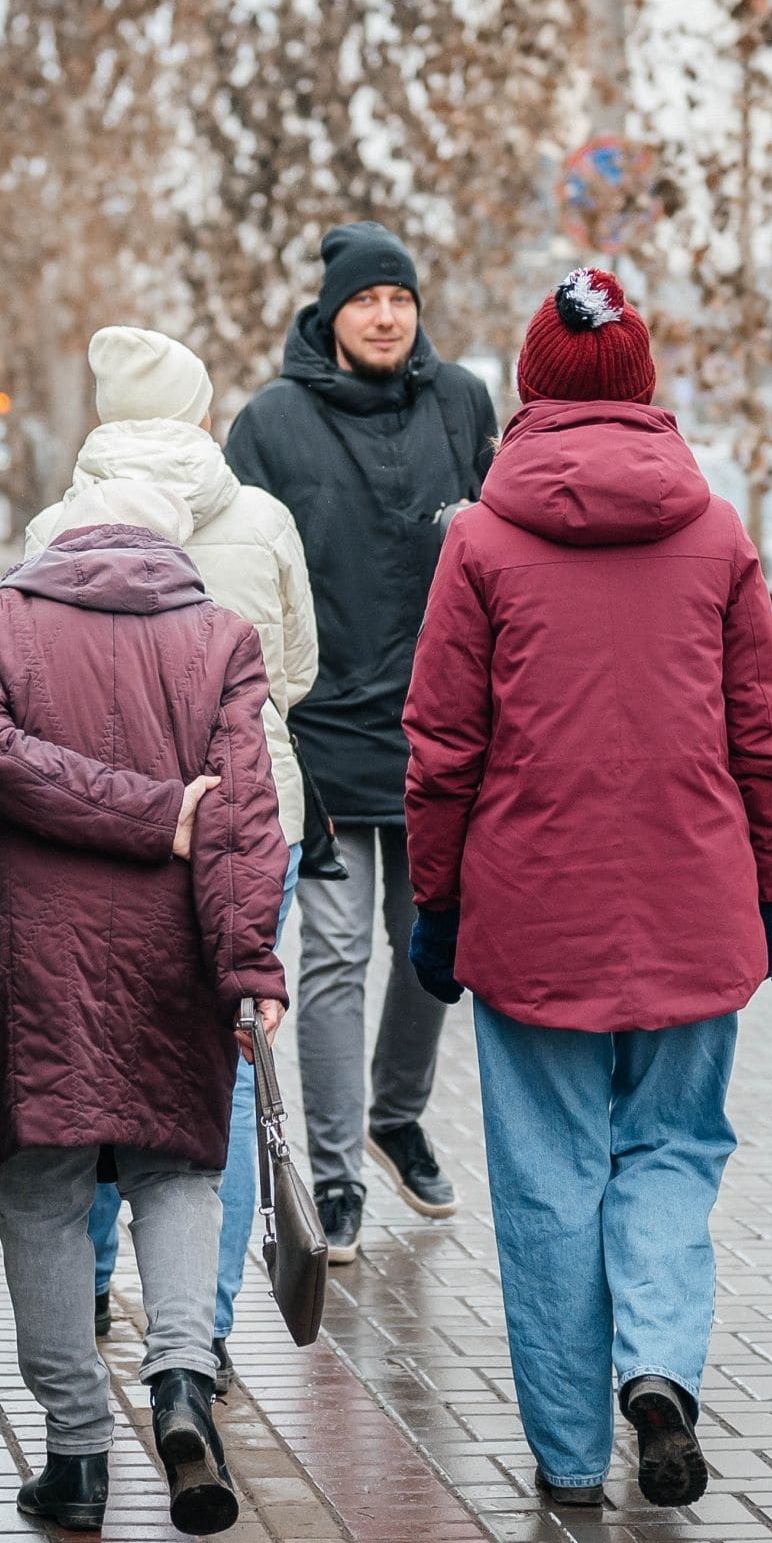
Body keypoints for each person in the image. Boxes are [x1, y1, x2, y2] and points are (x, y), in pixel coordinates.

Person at [401, 268, 772, 1509]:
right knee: (673, 1150)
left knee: (547, 1174)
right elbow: (764, 735)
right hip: (693, 901)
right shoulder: (718, 532)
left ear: (531, 387)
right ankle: (662, 1369)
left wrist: (437, 905)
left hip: (531, 912)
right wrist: (769, 887)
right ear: (645, 388)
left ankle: (572, 1455)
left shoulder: (477, 539)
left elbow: (441, 747)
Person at [0, 479, 289, 1536]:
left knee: (44, 1194)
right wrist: (249, 965)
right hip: (168, 952)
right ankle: (183, 1386)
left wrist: (133, 811)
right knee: (179, 1173)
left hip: (32, 950)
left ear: (50, 545)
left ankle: (77, 1458)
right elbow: (240, 817)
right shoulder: (223, 637)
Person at [24, 327, 319, 1390]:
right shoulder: (261, 517)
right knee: (230, 1073)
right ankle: (208, 1326)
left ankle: (95, 1282)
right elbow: (294, 675)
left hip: (107, 828)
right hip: (250, 821)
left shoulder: (56, 526)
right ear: (200, 412)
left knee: (91, 1051)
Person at [226, 220, 497, 1262]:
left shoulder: (462, 404)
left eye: (400, 298)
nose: (386, 315)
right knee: (334, 956)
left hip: (442, 733)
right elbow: (246, 572)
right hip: (324, 731)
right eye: (366, 300)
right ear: (332, 314)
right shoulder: (273, 423)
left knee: (437, 950)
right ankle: (335, 1178)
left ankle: (396, 1115)